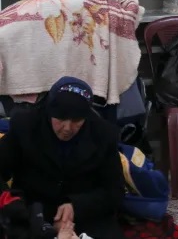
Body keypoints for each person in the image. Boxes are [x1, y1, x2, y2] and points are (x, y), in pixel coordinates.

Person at [0, 77, 125, 238]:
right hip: (31, 212)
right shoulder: (25, 127)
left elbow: (114, 192)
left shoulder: (103, 135)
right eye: (60, 119)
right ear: (49, 111)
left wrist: (76, 205)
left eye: (76, 121)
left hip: (86, 216)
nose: (67, 128)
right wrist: (12, 202)